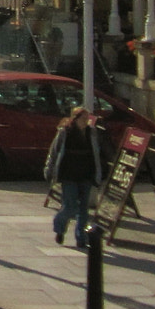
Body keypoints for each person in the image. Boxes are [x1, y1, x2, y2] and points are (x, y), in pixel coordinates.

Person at [46, 106, 108, 249]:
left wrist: (98, 173)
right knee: (70, 206)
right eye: (83, 118)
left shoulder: (91, 132)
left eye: (87, 119)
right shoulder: (65, 132)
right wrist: (49, 169)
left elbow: (96, 153)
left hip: (86, 173)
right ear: (75, 119)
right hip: (69, 174)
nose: (86, 121)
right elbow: (54, 152)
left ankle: (81, 238)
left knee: (83, 209)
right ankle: (59, 228)